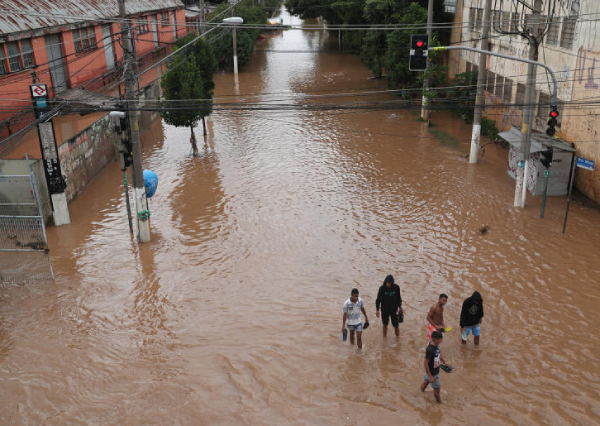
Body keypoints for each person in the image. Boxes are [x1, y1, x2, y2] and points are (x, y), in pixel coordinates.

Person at [420, 330, 450, 403]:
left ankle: (421, 392)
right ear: (436, 339)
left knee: (426, 381)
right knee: (437, 390)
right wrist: (430, 376)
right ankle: (439, 403)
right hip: (432, 372)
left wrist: (444, 361)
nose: (442, 340)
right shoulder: (430, 349)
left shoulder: (436, 345)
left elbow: (439, 353)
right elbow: (425, 362)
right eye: (441, 339)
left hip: (434, 369)